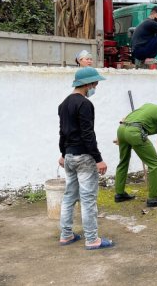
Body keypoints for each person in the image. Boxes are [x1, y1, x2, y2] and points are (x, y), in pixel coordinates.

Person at [58, 67, 114, 250]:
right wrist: (98, 159)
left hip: (69, 156)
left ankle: (66, 235)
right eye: (95, 83)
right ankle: (92, 240)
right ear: (87, 83)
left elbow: (63, 132)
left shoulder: (64, 104)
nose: (96, 86)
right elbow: (88, 134)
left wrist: (62, 153)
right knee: (88, 199)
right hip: (84, 157)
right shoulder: (85, 104)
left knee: (69, 197)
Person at [114, 102, 157, 207]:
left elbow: (125, 118)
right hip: (135, 132)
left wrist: (121, 137)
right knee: (155, 163)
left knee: (123, 161)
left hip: (122, 129)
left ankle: (119, 194)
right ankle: (153, 198)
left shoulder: (148, 106)